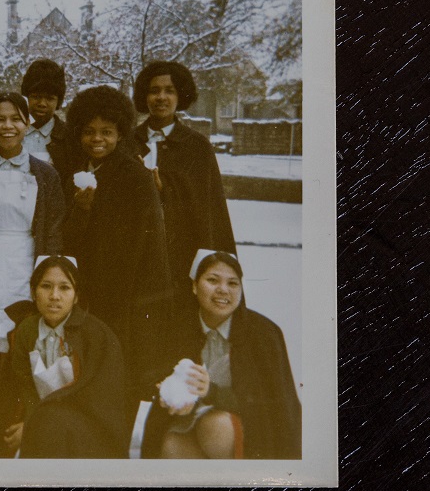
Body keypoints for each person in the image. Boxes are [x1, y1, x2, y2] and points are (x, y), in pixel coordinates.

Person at [0, 92, 66, 440]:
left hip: (24, 268)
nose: (8, 126)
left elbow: (51, 232)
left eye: (16, 119)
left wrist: (46, 283)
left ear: (27, 124)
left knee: (16, 349)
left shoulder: (45, 174)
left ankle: (11, 429)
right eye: (0, 119)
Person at [62, 85, 173, 404]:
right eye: (89, 131)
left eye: (107, 132)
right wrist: (82, 211)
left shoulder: (135, 176)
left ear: (121, 133)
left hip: (126, 294)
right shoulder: (78, 171)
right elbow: (70, 238)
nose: (97, 139)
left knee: (117, 376)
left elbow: (142, 246)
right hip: (88, 290)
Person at [141, 250, 301, 459]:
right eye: (213, 280)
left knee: (214, 426)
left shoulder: (262, 333)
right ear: (194, 286)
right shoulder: (176, 328)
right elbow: (152, 377)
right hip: (188, 418)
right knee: (172, 444)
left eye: (233, 284)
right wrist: (168, 396)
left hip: (246, 424)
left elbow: (267, 403)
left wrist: (210, 391)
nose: (223, 290)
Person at [4, 256, 129, 458]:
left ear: (76, 296)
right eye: (46, 286)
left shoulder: (96, 335)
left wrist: (38, 425)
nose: (54, 296)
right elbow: (24, 384)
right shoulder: (26, 331)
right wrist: (31, 423)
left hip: (84, 426)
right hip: (37, 418)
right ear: (33, 292)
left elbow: (100, 398)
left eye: (64, 288)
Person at [130, 62, 237, 300]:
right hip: (137, 253)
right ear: (143, 96)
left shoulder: (197, 147)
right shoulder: (128, 142)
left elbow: (208, 211)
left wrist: (164, 190)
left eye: (170, 90)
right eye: (154, 90)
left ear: (181, 96)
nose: (161, 97)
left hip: (180, 256)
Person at [0, 58, 77, 191]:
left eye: (50, 98)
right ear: (26, 97)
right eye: (36, 96)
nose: (42, 103)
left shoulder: (69, 137)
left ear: (59, 101)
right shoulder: (8, 132)